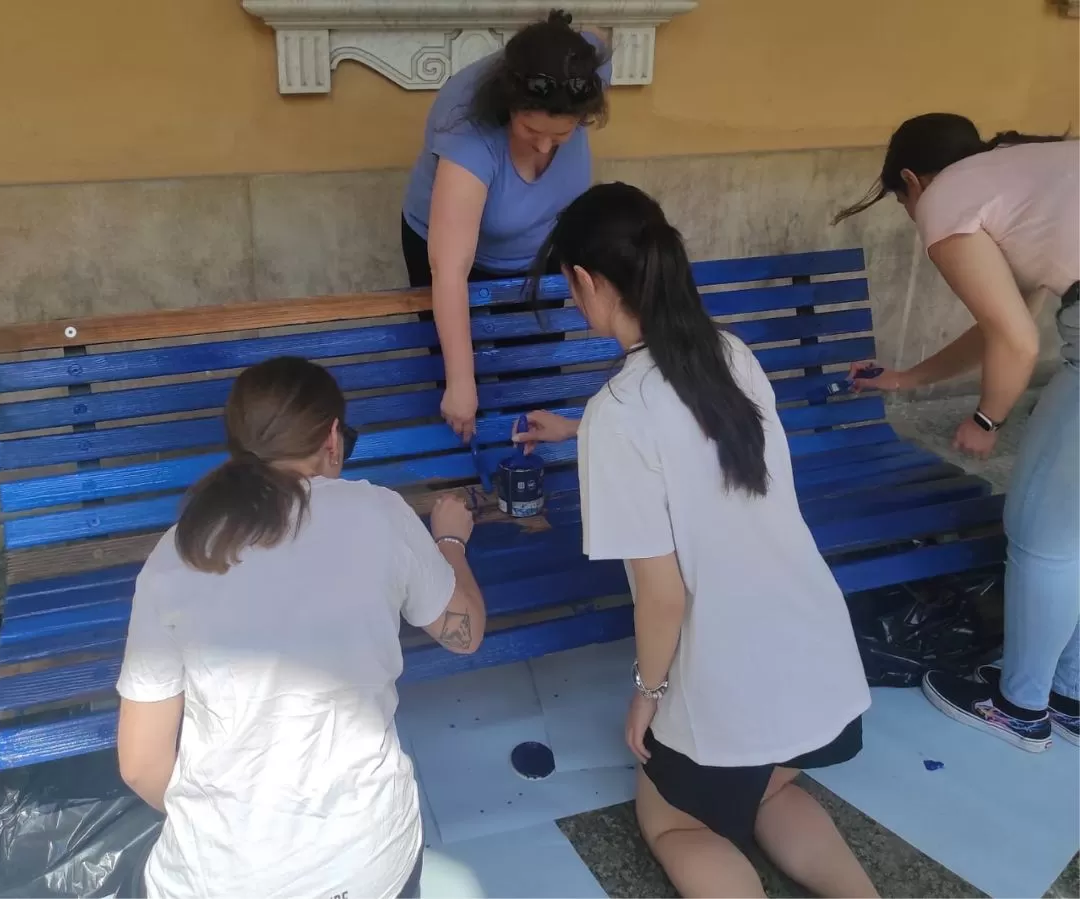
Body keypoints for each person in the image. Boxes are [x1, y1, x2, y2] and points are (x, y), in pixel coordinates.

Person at [513, 182, 877, 898]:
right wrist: (582, 429)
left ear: (586, 280)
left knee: (675, 821)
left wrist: (647, 694)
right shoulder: (730, 352)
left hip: (725, 672)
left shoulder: (618, 414)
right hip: (814, 649)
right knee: (770, 789)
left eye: (567, 284)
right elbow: (690, 438)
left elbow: (663, 594)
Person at [114, 356, 486, 898]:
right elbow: (464, 633)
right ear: (333, 438)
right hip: (368, 866)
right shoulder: (378, 513)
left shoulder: (176, 553)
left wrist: (238, 836)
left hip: (213, 880)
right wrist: (449, 541)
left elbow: (141, 765)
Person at [835, 113, 1079, 752]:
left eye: (903, 201)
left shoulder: (947, 196)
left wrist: (986, 418)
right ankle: (1071, 695)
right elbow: (1000, 325)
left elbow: (1017, 341)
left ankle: (1019, 707)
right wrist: (906, 379)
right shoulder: (1023, 182)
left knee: (1043, 534)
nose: (917, 217)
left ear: (912, 181)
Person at [401, 9, 610, 441]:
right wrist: (462, 384)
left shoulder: (582, 75)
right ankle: (467, 475)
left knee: (535, 368)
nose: (545, 146)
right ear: (509, 103)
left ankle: (527, 474)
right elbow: (450, 269)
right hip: (454, 252)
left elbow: (593, 37)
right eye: (532, 130)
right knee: (457, 374)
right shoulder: (467, 127)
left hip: (539, 248)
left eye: (563, 135)